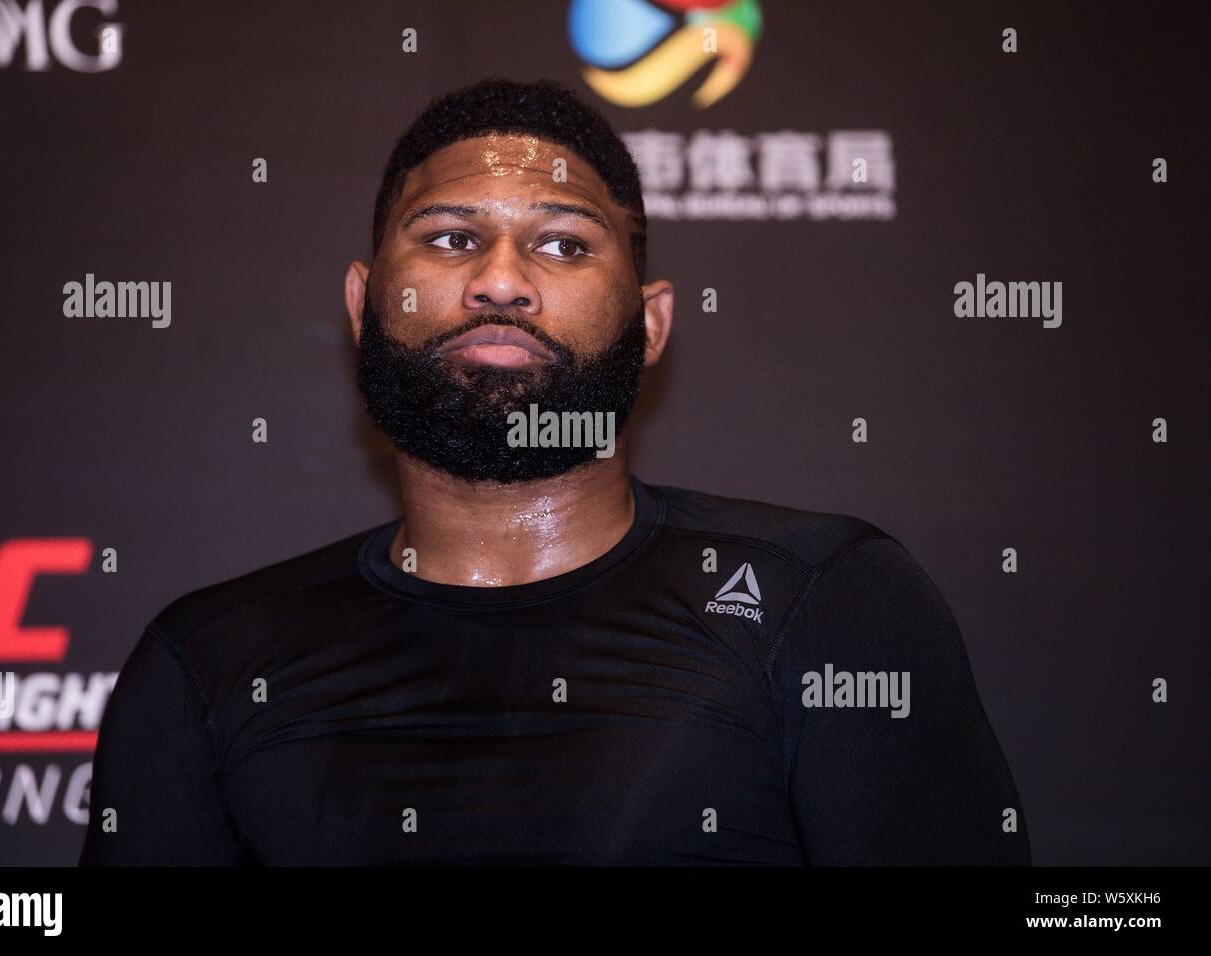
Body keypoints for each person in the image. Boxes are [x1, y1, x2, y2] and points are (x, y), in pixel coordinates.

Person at [79, 77, 1030, 866]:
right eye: (451, 237)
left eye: (564, 243)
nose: (501, 279)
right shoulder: (207, 663)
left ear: (651, 322)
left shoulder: (824, 602)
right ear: (364, 304)